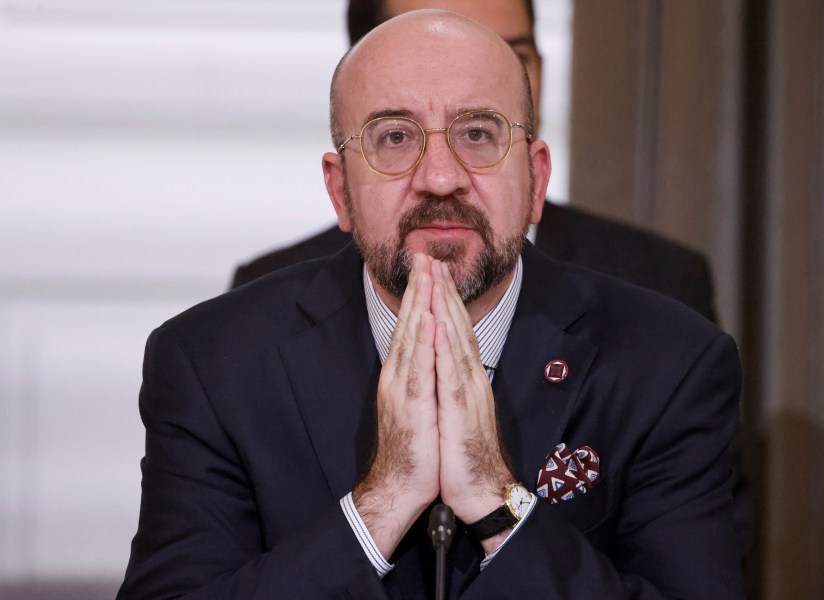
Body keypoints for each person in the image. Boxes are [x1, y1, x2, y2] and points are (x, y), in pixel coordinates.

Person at [119, 10, 743, 598]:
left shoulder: (668, 363)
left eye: (478, 134)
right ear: (340, 192)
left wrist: (498, 505)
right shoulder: (213, 363)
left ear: (536, 181)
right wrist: (381, 504)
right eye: (394, 137)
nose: (440, 177)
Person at [230, 0, 718, 325]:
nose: (441, 177)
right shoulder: (259, 312)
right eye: (430, 47)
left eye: (511, 54)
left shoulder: (662, 290)